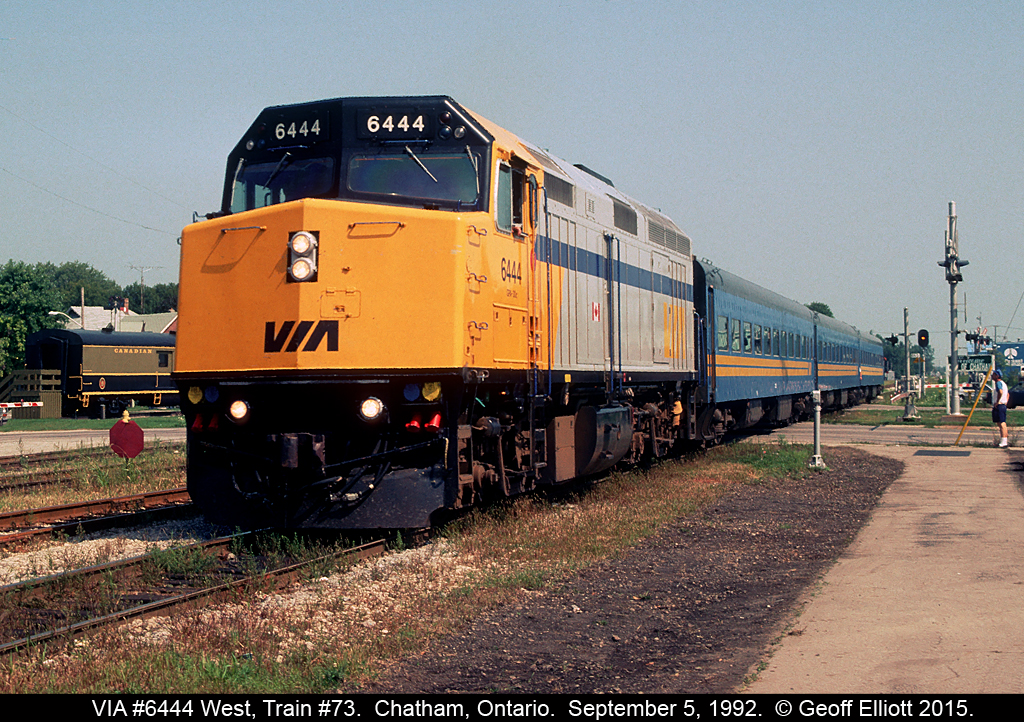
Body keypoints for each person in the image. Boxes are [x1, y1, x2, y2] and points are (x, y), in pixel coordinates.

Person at [992, 369, 1009, 448]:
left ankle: (1003, 442)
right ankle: (1004, 440)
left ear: (997, 376)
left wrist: (998, 401)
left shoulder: (998, 383)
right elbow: (1007, 394)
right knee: (1002, 422)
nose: (992, 375)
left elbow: (1001, 392)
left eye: (993, 374)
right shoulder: (1004, 383)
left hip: (999, 405)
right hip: (1003, 405)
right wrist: (1005, 402)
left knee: (1001, 423)